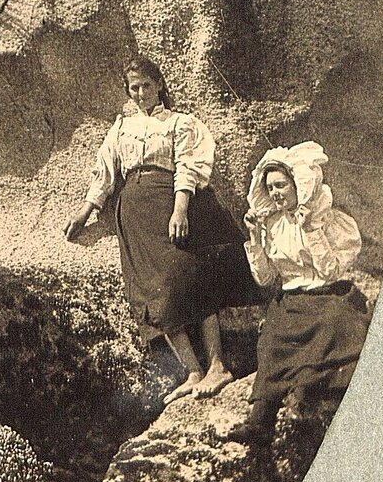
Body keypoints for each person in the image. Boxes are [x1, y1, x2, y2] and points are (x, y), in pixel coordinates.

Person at [65, 55, 250, 404]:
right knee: (151, 293)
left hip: (169, 203)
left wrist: (180, 209)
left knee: (191, 276)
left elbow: (189, 165)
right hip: (134, 216)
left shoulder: (181, 122)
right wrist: (85, 210)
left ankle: (217, 365)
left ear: (159, 84)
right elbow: (106, 170)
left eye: (146, 86)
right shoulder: (121, 127)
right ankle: (192, 370)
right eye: (133, 88)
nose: (140, 93)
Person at [224, 142, 368, 446]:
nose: (276, 193)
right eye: (271, 188)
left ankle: (306, 396)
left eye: (281, 185)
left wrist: (311, 230)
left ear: (296, 184)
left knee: (333, 325)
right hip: (291, 301)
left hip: (328, 295)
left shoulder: (325, 218)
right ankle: (259, 422)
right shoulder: (272, 225)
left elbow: (329, 272)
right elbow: (264, 279)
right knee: (274, 340)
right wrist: (254, 237)